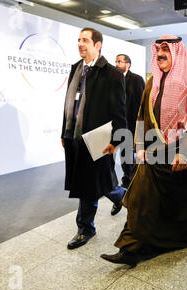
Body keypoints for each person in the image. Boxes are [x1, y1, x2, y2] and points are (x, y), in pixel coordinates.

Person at [100, 35, 187, 267]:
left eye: (166, 49)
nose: (161, 53)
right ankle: (130, 247)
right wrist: (141, 146)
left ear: (176, 51)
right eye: (158, 49)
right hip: (155, 152)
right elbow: (143, 114)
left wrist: (185, 153)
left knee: (175, 204)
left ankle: (169, 239)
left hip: (182, 155)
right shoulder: (153, 81)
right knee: (140, 195)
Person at [61, 28, 127, 250]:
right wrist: (65, 132)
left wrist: (116, 141)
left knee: (88, 184)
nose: (80, 44)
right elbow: (69, 104)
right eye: (78, 40)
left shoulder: (112, 74)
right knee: (99, 179)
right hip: (75, 137)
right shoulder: (76, 69)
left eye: (85, 40)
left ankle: (85, 228)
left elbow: (119, 112)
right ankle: (122, 196)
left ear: (97, 45)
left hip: (98, 137)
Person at [115, 54, 145, 189]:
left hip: (132, 124)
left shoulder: (136, 80)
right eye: (116, 61)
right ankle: (128, 177)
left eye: (119, 61)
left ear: (128, 64)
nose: (116, 64)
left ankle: (131, 178)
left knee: (129, 153)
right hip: (117, 123)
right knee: (123, 153)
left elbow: (142, 104)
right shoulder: (113, 79)